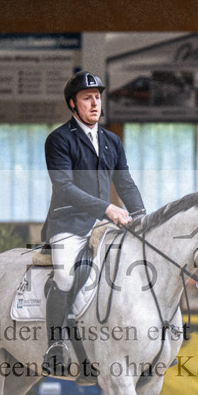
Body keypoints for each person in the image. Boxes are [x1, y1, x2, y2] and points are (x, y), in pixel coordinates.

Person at [40, 71, 145, 375]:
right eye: (87, 98)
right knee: (65, 277)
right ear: (73, 104)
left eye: (97, 97)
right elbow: (64, 187)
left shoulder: (112, 141)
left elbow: (125, 183)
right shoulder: (59, 139)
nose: (95, 103)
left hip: (102, 226)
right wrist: (107, 208)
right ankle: (55, 346)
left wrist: (141, 217)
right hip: (68, 224)